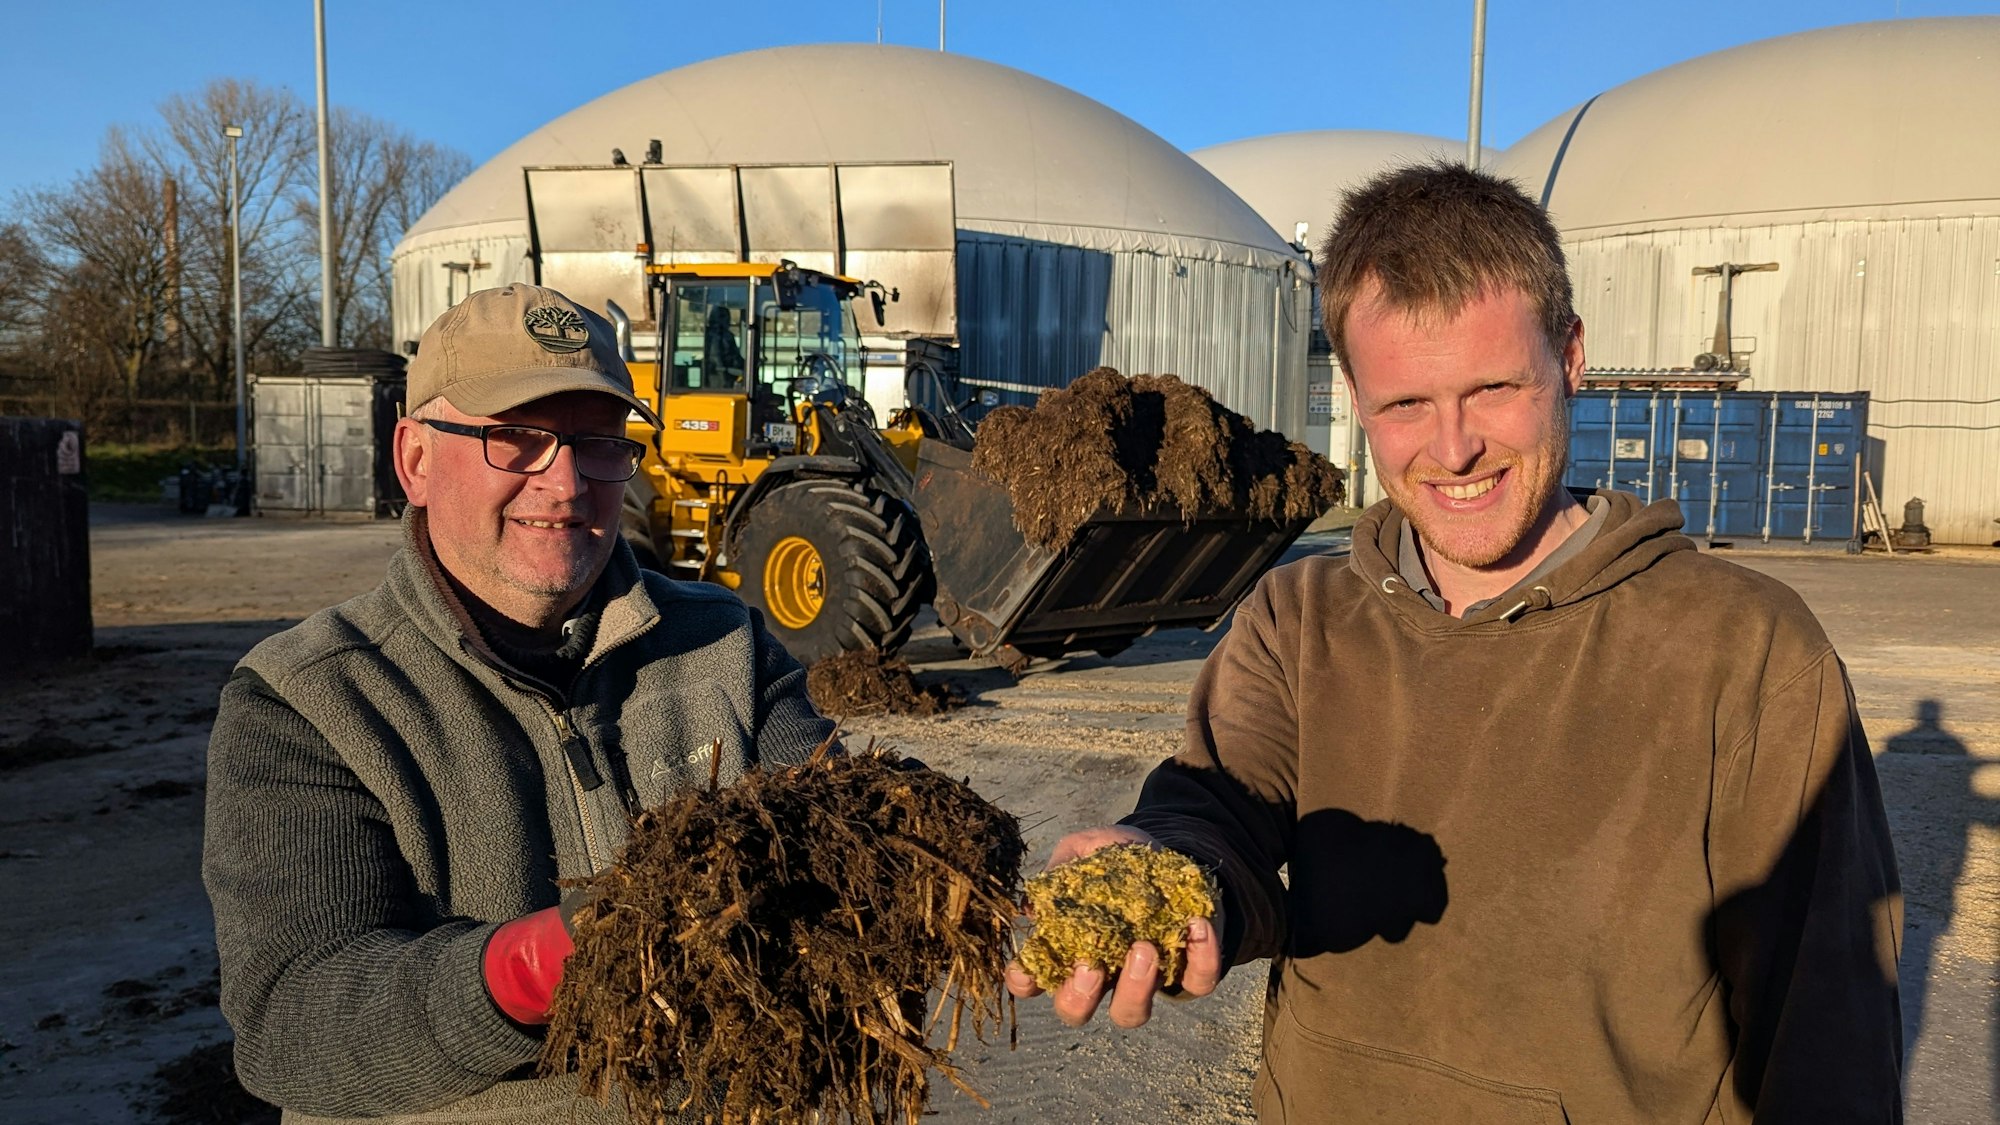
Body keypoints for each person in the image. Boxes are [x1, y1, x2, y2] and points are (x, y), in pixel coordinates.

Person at [1006, 162, 1904, 1123]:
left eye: (1493, 387)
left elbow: (1829, 1028)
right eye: (1405, 405)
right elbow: (1221, 816)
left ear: (1571, 357)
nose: (1454, 446)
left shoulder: (1741, 648)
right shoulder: (1298, 618)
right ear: (1354, 398)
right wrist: (1167, 870)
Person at [203, 284, 834, 1123]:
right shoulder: (309, 700)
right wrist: (531, 968)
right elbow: (292, 1025)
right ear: (416, 459)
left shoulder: (723, 645)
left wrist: (1036, 904)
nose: (567, 481)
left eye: (599, 442)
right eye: (519, 438)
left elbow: (846, 844)